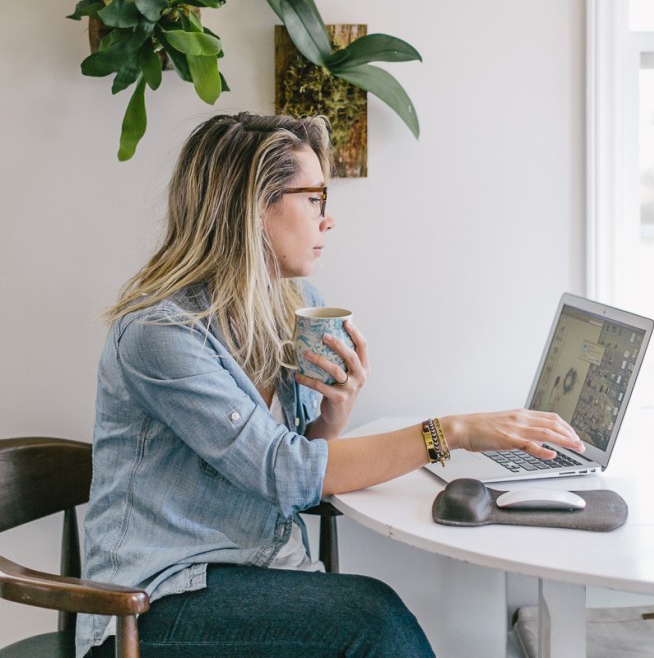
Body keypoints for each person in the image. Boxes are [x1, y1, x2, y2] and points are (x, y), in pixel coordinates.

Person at [77, 112, 584, 658]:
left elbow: (294, 467)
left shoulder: (297, 308)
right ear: (253, 207)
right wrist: (452, 432)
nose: (328, 219)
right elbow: (284, 471)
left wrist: (332, 417)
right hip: (152, 606)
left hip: (261, 571)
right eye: (314, 199)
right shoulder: (160, 335)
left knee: (372, 618)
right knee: (373, 621)